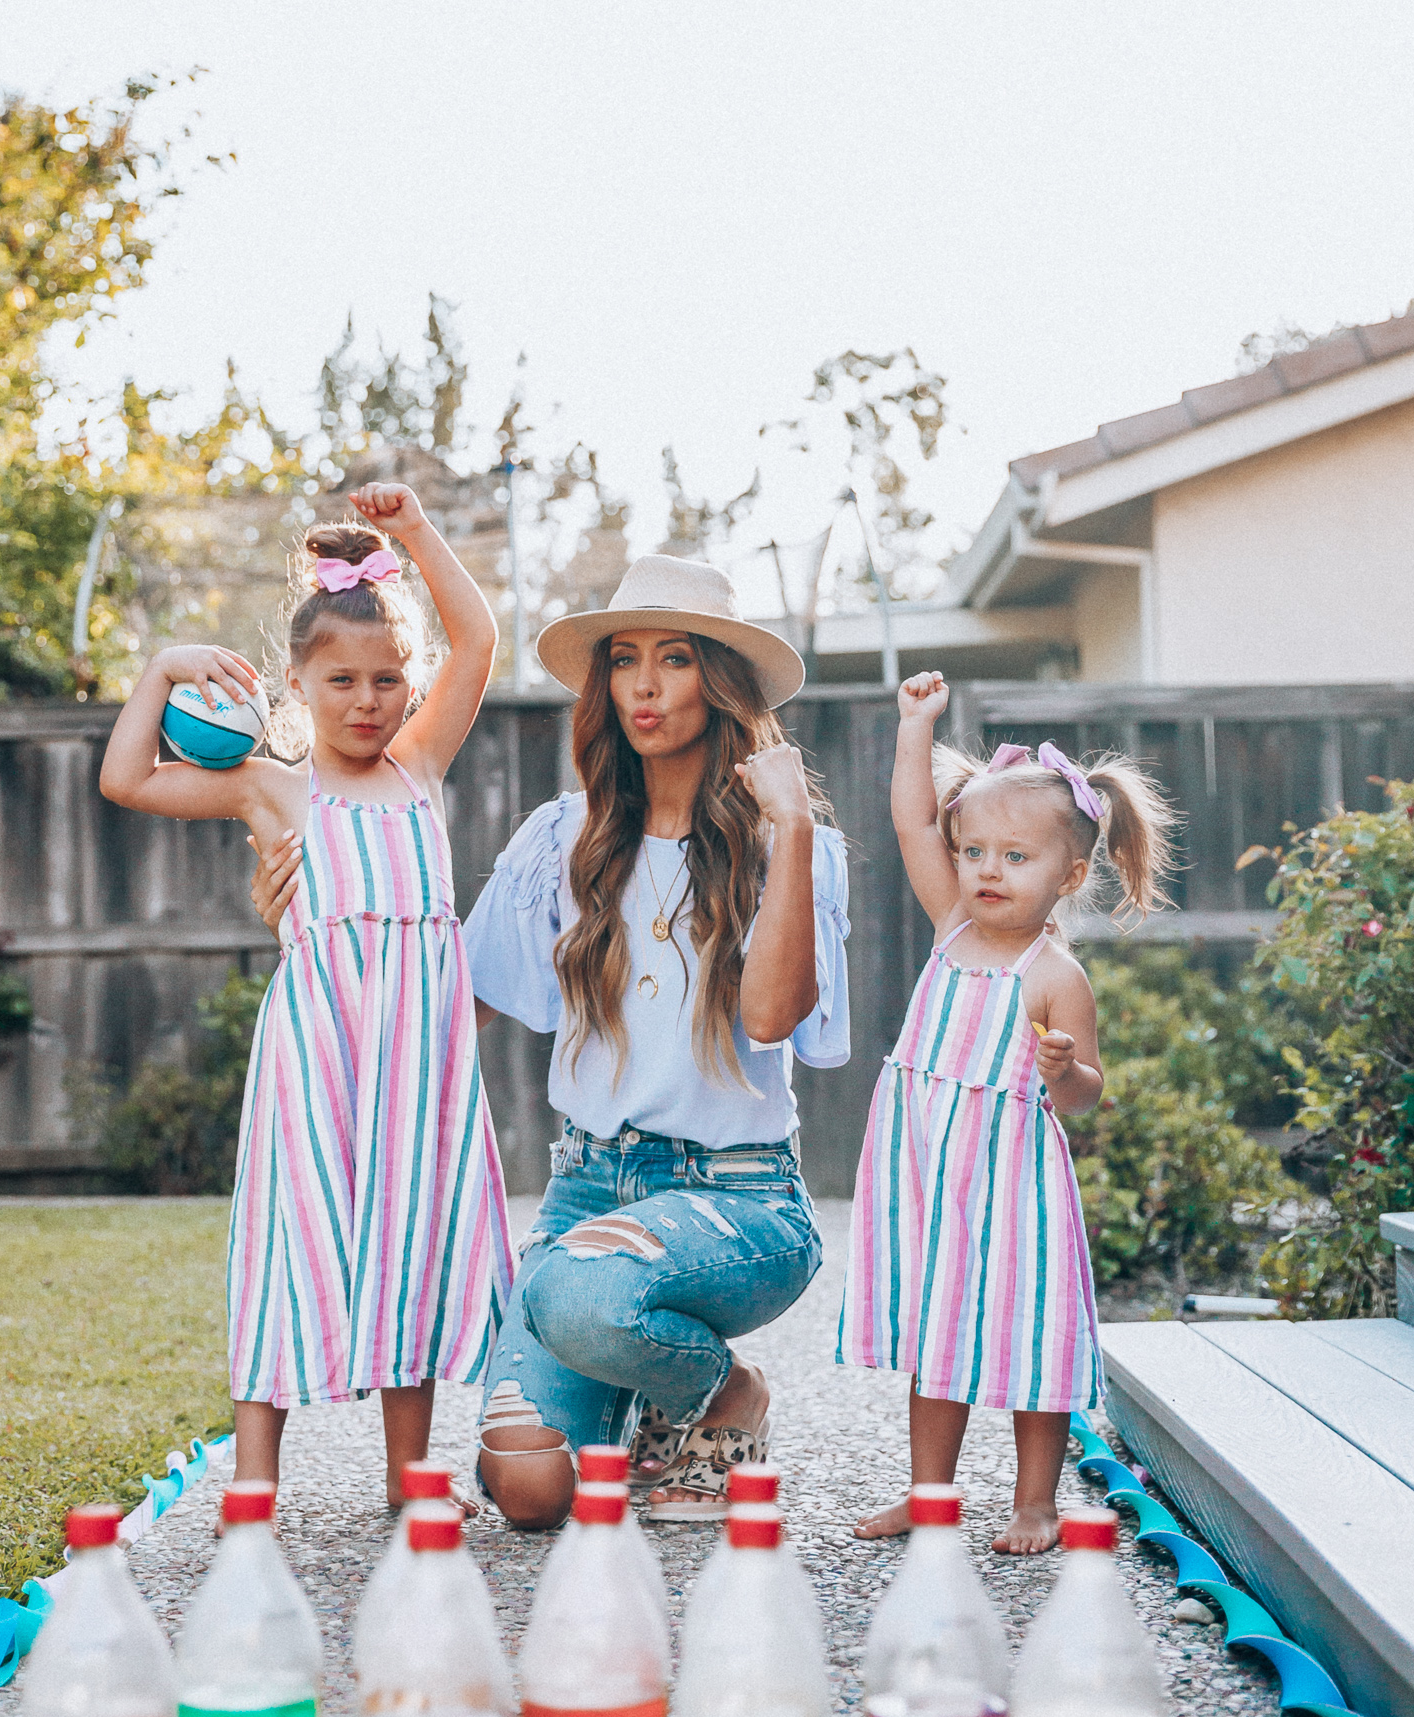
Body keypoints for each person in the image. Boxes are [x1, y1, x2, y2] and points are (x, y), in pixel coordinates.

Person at [256, 556, 850, 1529]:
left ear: (723, 681)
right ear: (605, 685)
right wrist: (302, 920)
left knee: (582, 1299)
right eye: (625, 660)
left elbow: (773, 1017)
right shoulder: (559, 839)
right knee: (528, 1489)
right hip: (589, 1189)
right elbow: (444, 997)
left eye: (676, 660)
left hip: (737, 1197)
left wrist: (786, 821)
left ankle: (722, 1387)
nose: (646, 685)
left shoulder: (797, 847)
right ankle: (638, 1385)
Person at [100, 485, 510, 1505]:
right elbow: (127, 780)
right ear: (297, 681)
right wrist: (161, 667)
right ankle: (255, 1478)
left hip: (420, 1063)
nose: (365, 700)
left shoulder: (420, 768)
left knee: (409, 1236)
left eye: (384, 679)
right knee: (292, 1241)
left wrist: (413, 533)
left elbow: (480, 638)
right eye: (341, 680)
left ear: (409, 686)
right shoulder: (274, 787)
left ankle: (410, 1475)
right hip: (316, 1056)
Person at [839, 672, 1176, 1554]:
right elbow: (914, 819)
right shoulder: (951, 924)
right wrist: (917, 727)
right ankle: (929, 1490)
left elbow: (1081, 1099)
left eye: (1014, 858)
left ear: (1067, 875)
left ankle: (1033, 1502)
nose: (986, 870)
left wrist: (1064, 1069)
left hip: (1010, 1184)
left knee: (1032, 1336)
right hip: (930, 1172)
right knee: (936, 1337)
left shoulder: (1055, 976)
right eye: (974, 851)